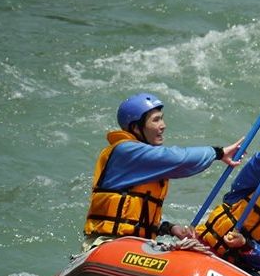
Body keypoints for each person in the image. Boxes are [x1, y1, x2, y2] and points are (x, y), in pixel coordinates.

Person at [82, 92, 242, 251]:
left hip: (133, 245)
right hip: (106, 243)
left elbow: (134, 216)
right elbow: (179, 159)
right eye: (156, 120)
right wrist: (218, 153)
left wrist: (169, 228)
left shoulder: (142, 160)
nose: (163, 125)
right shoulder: (125, 151)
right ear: (136, 127)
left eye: (162, 118)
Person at [195, 138, 260, 272]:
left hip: (233, 268)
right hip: (201, 246)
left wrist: (246, 245)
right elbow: (257, 168)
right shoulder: (247, 190)